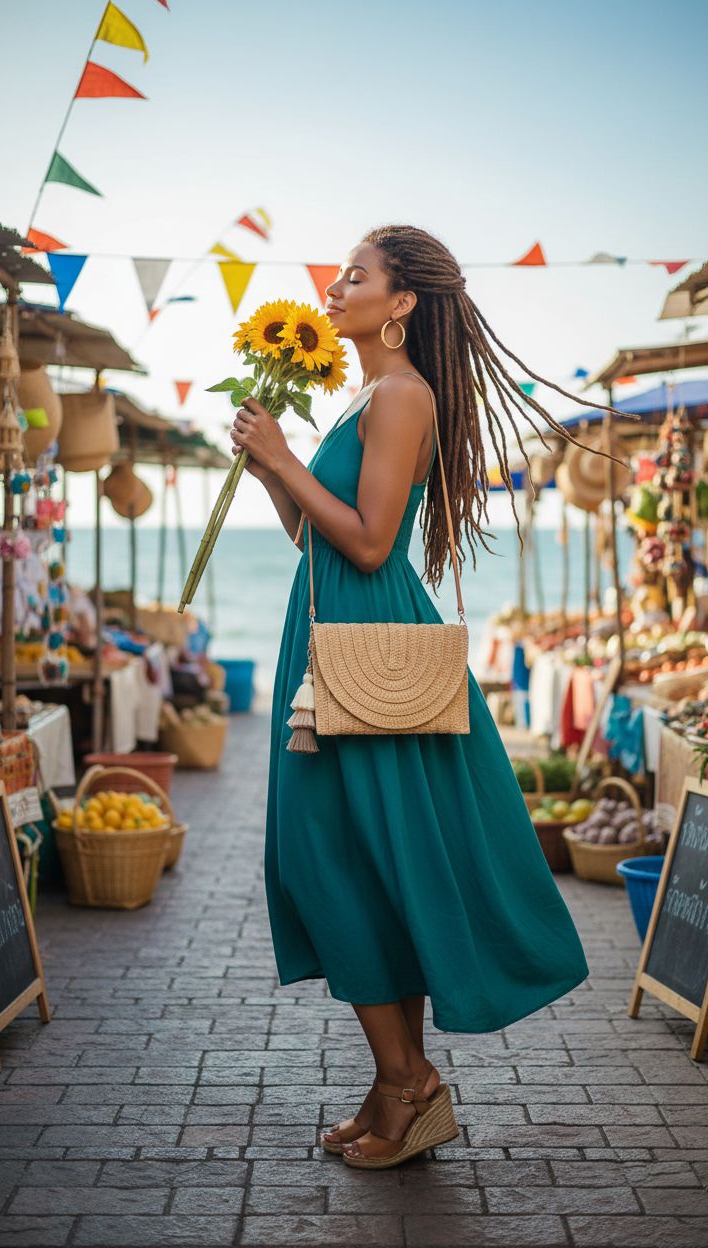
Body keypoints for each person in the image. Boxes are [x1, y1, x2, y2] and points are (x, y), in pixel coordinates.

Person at [228, 224, 604, 1170]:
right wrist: (273, 462)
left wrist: (284, 456)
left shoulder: (401, 394)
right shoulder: (366, 394)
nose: (336, 283)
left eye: (357, 273)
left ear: (400, 304)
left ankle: (412, 1084)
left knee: (339, 860)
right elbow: (313, 535)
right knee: (350, 860)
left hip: (372, 641)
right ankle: (395, 1081)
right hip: (331, 633)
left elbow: (367, 541)